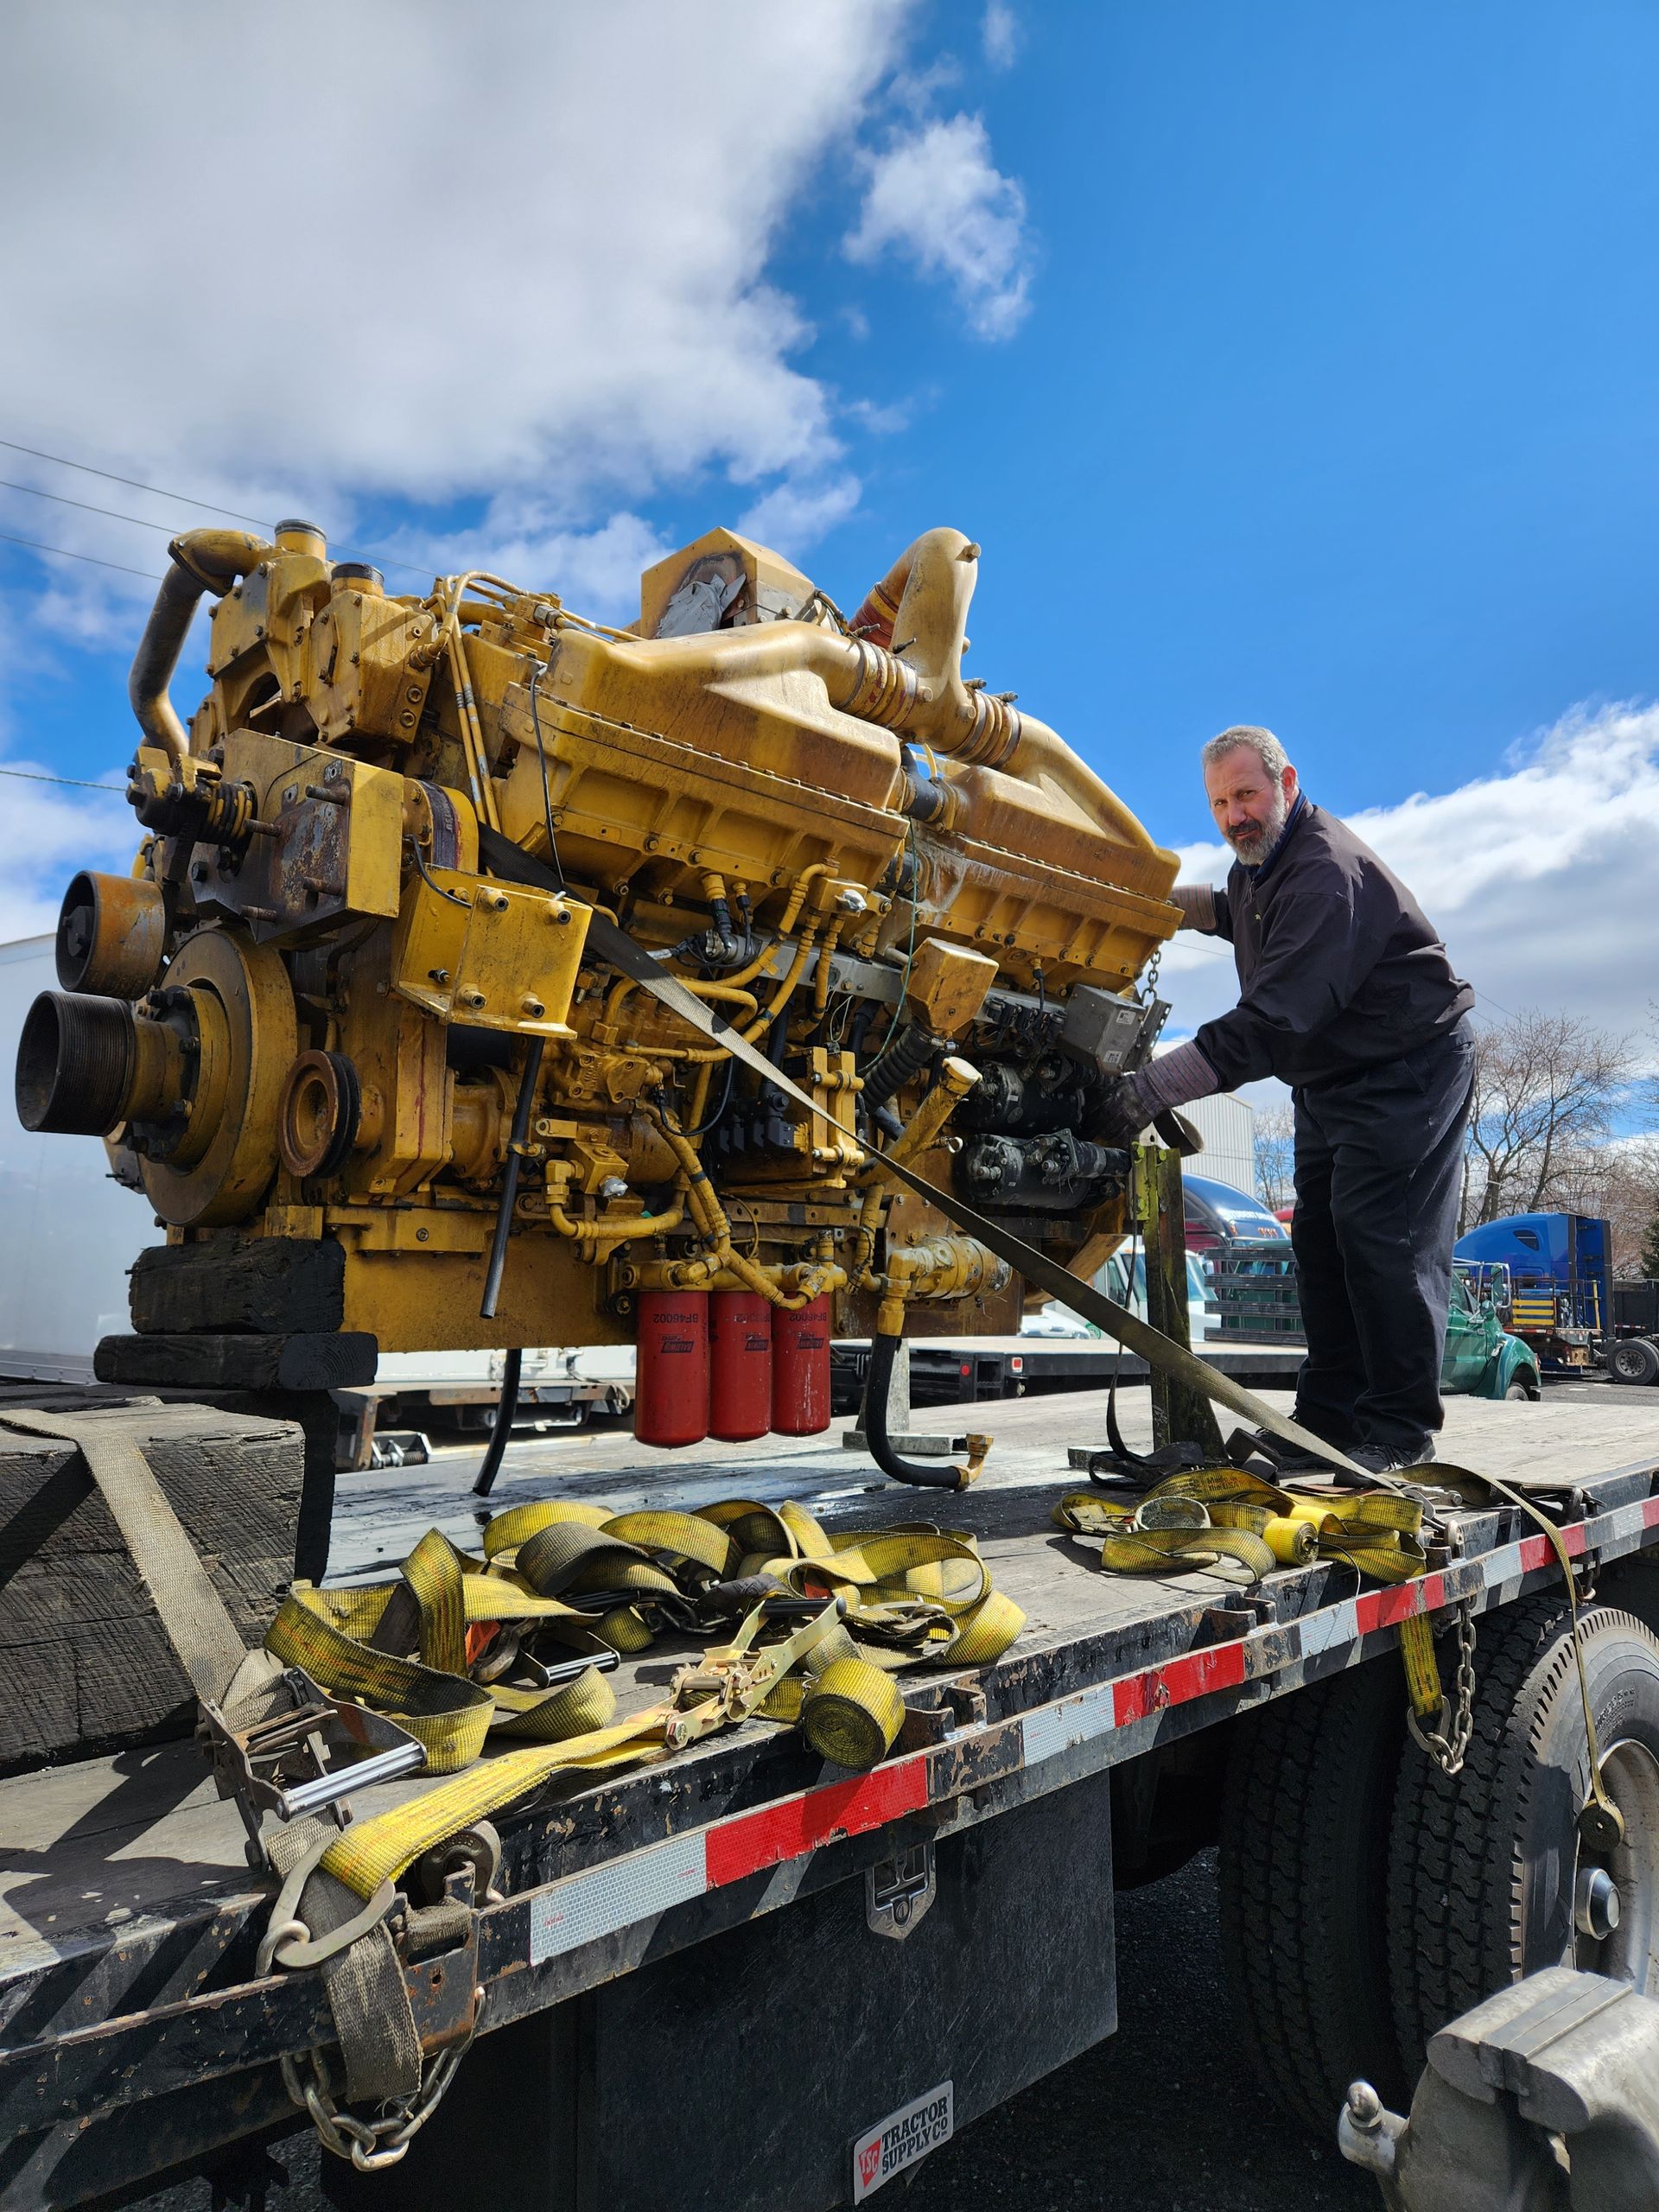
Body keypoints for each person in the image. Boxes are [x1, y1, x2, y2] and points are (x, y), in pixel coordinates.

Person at [1093, 725, 1475, 1476]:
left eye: (1246, 794)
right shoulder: (1266, 867)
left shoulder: (1326, 872)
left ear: (1287, 783)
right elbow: (1233, 908)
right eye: (1219, 803)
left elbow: (1271, 1022)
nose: (1235, 815)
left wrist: (1144, 1092)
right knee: (1321, 1246)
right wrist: (1137, 905)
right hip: (1331, 1077)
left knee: (1382, 1239)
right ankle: (1328, 1418)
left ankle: (1398, 1431)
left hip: (1406, 1067)